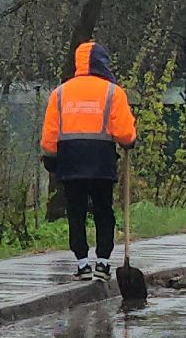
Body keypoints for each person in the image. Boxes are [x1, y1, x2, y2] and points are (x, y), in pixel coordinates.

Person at [41, 41, 138, 281]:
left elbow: (50, 134)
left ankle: (82, 263)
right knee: (104, 210)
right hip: (101, 160)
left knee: (76, 212)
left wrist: (51, 156)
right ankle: (103, 263)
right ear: (102, 63)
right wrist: (129, 142)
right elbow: (125, 133)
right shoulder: (112, 92)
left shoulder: (60, 92)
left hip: (70, 160)